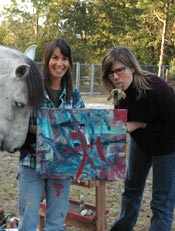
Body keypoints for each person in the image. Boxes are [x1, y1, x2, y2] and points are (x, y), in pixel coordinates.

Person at [101, 46, 175, 231]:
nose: (116, 76)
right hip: (141, 143)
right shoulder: (119, 93)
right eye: (111, 73)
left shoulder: (157, 88)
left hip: (168, 145)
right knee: (131, 189)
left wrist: (141, 124)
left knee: (161, 201)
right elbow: (121, 121)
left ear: (132, 67)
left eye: (120, 70)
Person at [18, 38, 85, 231]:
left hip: (62, 167)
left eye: (64, 58)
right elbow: (18, 124)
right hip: (31, 163)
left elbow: (81, 129)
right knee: (27, 224)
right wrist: (43, 130)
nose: (60, 63)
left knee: (55, 225)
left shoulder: (75, 96)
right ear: (47, 60)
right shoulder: (31, 90)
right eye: (55, 57)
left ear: (69, 63)